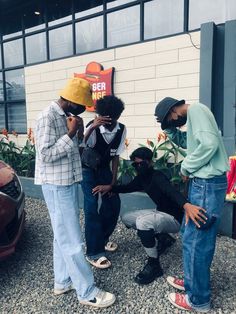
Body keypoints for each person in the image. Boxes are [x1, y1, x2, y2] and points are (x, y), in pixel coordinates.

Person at [34, 77, 115, 308]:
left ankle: (62, 281)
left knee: (62, 236)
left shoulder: (67, 117)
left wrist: (79, 133)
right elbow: (46, 154)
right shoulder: (47, 117)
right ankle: (87, 291)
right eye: (81, 105)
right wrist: (70, 134)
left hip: (67, 181)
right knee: (71, 239)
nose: (82, 109)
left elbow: (73, 151)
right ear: (70, 100)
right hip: (57, 185)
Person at [155, 97, 229, 312]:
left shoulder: (196, 110)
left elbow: (209, 144)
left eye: (170, 120)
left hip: (206, 184)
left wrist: (185, 167)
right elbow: (191, 142)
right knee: (192, 238)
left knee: (197, 242)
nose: (174, 123)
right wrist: (170, 131)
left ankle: (198, 300)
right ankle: (192, 284)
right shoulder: (198, 114)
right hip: (206, 185)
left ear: (173, 112)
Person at [93, 147, 207, 285]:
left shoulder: (157, 176)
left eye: (141, 164)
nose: (138, 167)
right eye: (135, 164)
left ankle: (154, 264)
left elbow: (172, 192)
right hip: (160, 213)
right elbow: (127, 187)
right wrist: (110, 188)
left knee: (143, 223)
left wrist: (186, 205)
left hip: (174, 219)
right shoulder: (142, 178)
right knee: (126, 218)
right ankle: (163, 239)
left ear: (150, 162)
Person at [81, 95, 126, 269]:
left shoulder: (121, 129)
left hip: (104, 170)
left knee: (113, 203)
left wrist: (112, 183)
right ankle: (93, 252)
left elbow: (115, 157)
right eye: (104, 116)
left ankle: (103, 239)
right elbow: (81, 146)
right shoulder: (92, 127)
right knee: (91, 206)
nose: (108, 121)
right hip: (87, 170)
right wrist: (92, 127)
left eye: (112, 118)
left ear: (117, 116)